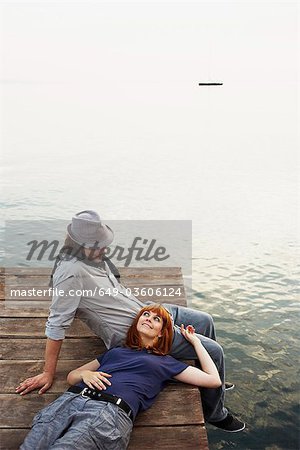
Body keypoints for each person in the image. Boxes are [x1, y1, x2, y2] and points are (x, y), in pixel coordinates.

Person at [16, 210, 245, 432]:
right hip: (134, 332)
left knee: (205, 320)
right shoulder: (70, 273)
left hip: (144, 312)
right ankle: (215, 413)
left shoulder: (94, 257)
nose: (104, 248)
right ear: (80, 244)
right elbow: (56, 322)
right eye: (98, 244)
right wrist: (48, 372)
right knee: (215, 351)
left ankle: (212, 380)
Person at [21, 304, 222, 449]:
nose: (148, 319)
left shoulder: (165, 362)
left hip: (108, 413)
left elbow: (214, 380)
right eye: (145, 314)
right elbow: (72, 377)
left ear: (161, 333)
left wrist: (196, 342)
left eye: (156, 319)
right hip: (70, 400)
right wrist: (85, 373)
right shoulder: (116, 351)